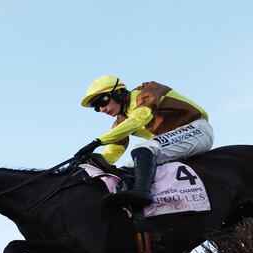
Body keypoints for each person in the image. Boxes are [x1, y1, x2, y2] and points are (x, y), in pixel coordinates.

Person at [75, 76, 212, 208]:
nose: (102, 109)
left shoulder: (148, 91)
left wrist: (97, 142)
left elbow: (139, 118)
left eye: (102, 102)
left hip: (198, 129)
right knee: (127, 168)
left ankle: (142, 193)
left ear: (118, 92)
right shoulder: (120, 122)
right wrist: (88, 164)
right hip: (175, 141)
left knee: (142, 149)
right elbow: (114, 151)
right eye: (96, 108)